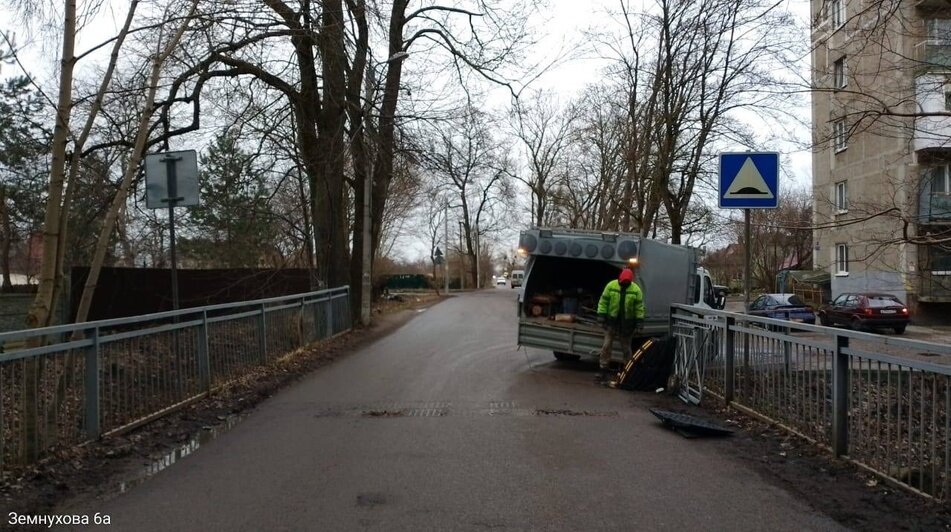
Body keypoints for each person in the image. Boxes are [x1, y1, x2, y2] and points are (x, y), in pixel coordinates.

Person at [596, 267, 645, 382]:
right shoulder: (611, 286)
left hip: (627, 325)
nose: (624, 284)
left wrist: (639, 323)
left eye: (626, 283)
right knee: (606, 346)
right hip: (611, 323)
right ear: (619, 279)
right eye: (622, 282)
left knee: (626, 349)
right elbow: (603, 302)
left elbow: (639, 308)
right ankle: (603, 369)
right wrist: (601, 317)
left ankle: (627, 372)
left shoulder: (636, 290)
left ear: (630, 281)